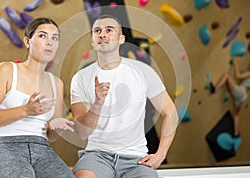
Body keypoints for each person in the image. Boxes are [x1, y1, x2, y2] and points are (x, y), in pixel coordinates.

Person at [70, 14, 178, 178]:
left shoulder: (143, 72)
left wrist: (161, 153)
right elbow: (82, 133)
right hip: (97, 156)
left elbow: (171, 113)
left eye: (109, 30)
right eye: (97, 31)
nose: (102, 34)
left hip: (136, 159)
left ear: (121, 39)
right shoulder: (81, 78)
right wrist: (97, 105)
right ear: (92, 40)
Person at [0, 18, 75, 178]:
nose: (49, 42)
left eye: (54, 38)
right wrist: (25, 110)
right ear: (27, 41)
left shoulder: (57, 83)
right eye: (43, 36)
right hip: (6, 148)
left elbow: (51, 136)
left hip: (43, 150)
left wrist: (57, 127)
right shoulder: (7, 70)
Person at [210, 46, 250, 138]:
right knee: (236, 114)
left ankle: (214, 88)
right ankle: (236, 133)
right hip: (244, 97)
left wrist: (236, 65)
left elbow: (238, 76)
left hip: (240, 91)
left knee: (226, 76)